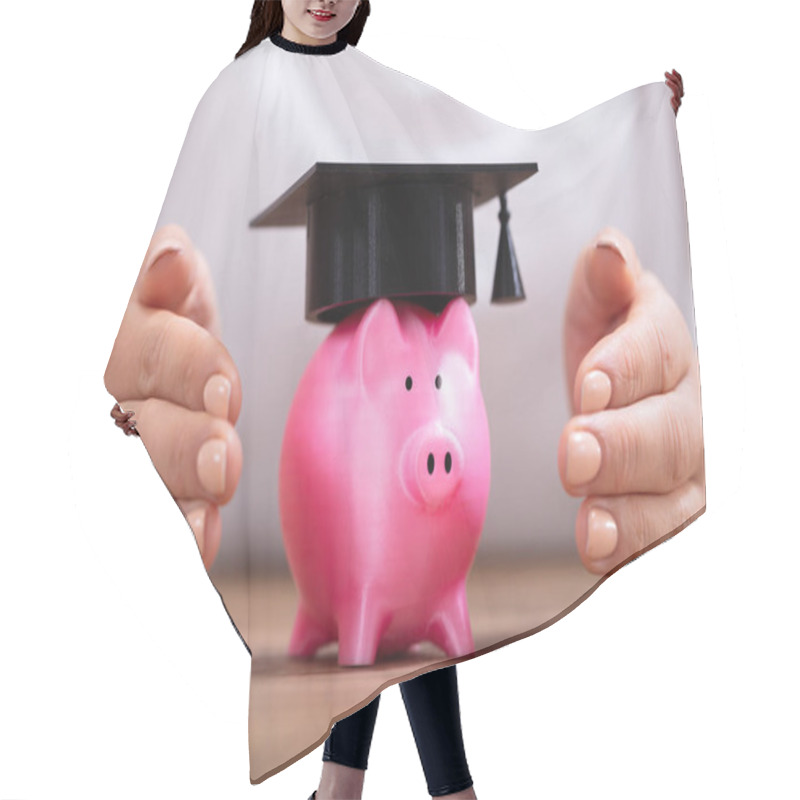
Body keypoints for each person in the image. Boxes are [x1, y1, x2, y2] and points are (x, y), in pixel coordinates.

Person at [104, 2, 699, 797]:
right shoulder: (236, 94)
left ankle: (347, 788)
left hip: (401, 389)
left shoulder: (372, 86)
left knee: (405, 603)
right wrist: (147, 377)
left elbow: (494, 147)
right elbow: (193, 234)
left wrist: (640, 121)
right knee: (385, 603)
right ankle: (433, 789)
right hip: (322, 402)